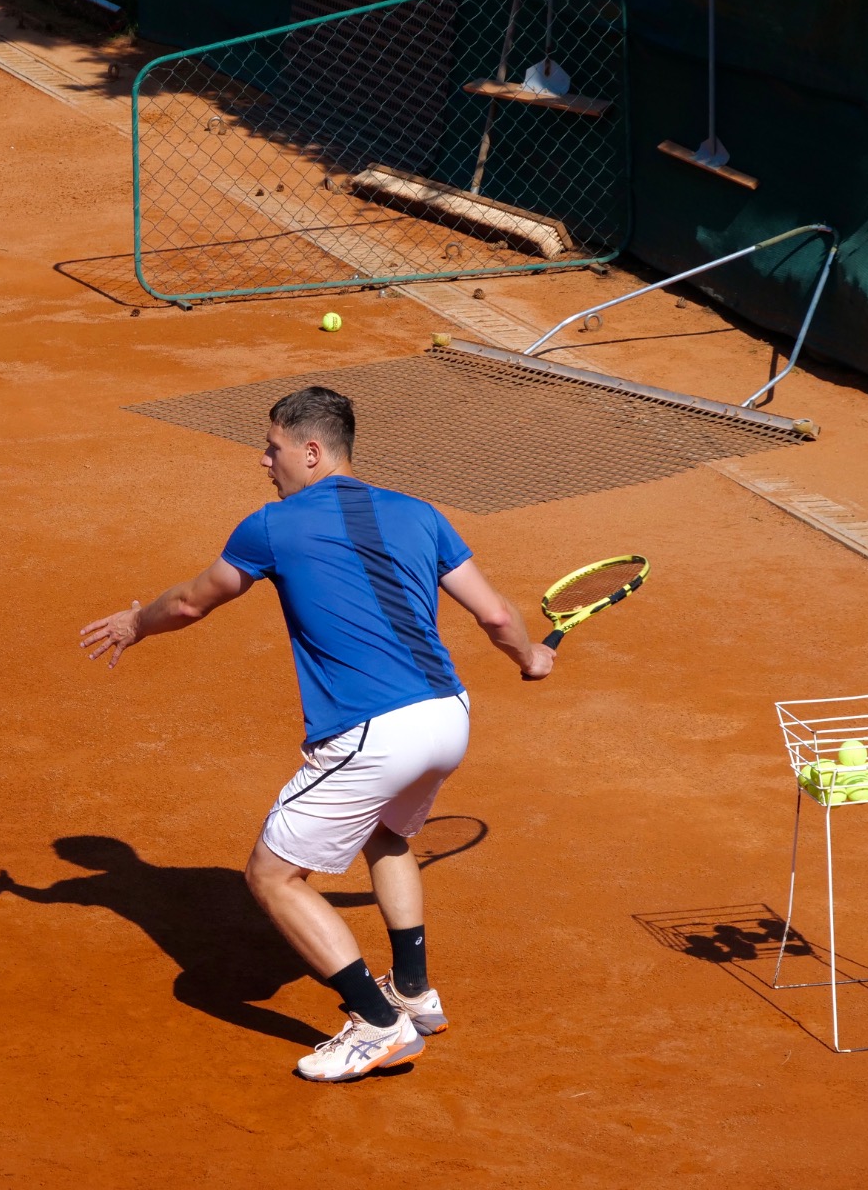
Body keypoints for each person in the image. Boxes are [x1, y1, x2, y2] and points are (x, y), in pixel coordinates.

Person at [80, 385, 554, 1083]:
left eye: (271, 447)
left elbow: (188, 602)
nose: (263, 461)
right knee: (385, 833)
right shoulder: (422, 513)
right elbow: (497, 617)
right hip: (448, 715)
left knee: (271, 876)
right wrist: (530, 657)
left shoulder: (272, 526)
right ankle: (413, 990)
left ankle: (377, 1023)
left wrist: (134, 624)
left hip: (374, 731)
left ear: (310, 451)